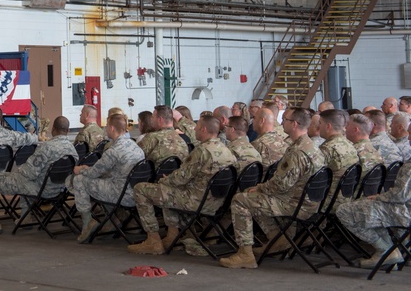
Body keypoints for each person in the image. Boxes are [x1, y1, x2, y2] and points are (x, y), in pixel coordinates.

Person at [219, 107, 326, 269]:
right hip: (310, 201)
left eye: (285, 120)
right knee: (254, 197)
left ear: (295, 124)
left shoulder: (297, 151)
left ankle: (245, 254)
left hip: (297, 204)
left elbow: (280, 185)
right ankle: (279, 240)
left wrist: (260, 187)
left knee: (241, 199)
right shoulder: (310, 146)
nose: (281, 122)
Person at [128, 114, 236, 255]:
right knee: (167, 190)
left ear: (203, 129)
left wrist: (163, 180)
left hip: (195, 201)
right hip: (216, 202)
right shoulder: (227, 150)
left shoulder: (202, 151)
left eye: (197, 127)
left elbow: (181, 178)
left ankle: (153, 240)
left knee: (141, 189)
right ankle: (173, 236)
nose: (195, 130)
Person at [0, 116, 76, 235]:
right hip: (59, 190)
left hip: (41, 190)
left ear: (53, 130)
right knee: (27, 180)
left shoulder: (47, 147)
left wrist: (18, 171)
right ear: (67, 131)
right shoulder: (72, 149)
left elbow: (28, 173)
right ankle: (26, 218)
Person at [69, 112, 146, 243]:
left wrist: (81, 169)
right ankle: (112, 220)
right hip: (136, 192)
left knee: (79, 180)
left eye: (106, 126)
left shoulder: (113, 151)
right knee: (102, 181)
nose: (105, 129)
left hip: (121, 194)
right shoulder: (135, 147)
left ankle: (88, 221)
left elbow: (94, 173)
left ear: (111, 128)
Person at [336, 161, 411, 268]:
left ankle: (385, 251)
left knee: (344, 210)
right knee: (367, 208)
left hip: (405, 213)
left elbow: (400, 196)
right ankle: (392, 253)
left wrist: (379, 197)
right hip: (404, 211)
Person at [317, 109, 359, 211]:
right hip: (347, 198)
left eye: (320, 123)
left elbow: (312, 176)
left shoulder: (328, 149)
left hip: (329, 201)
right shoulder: (351, 145)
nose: (318, 127)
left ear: (328, 126)